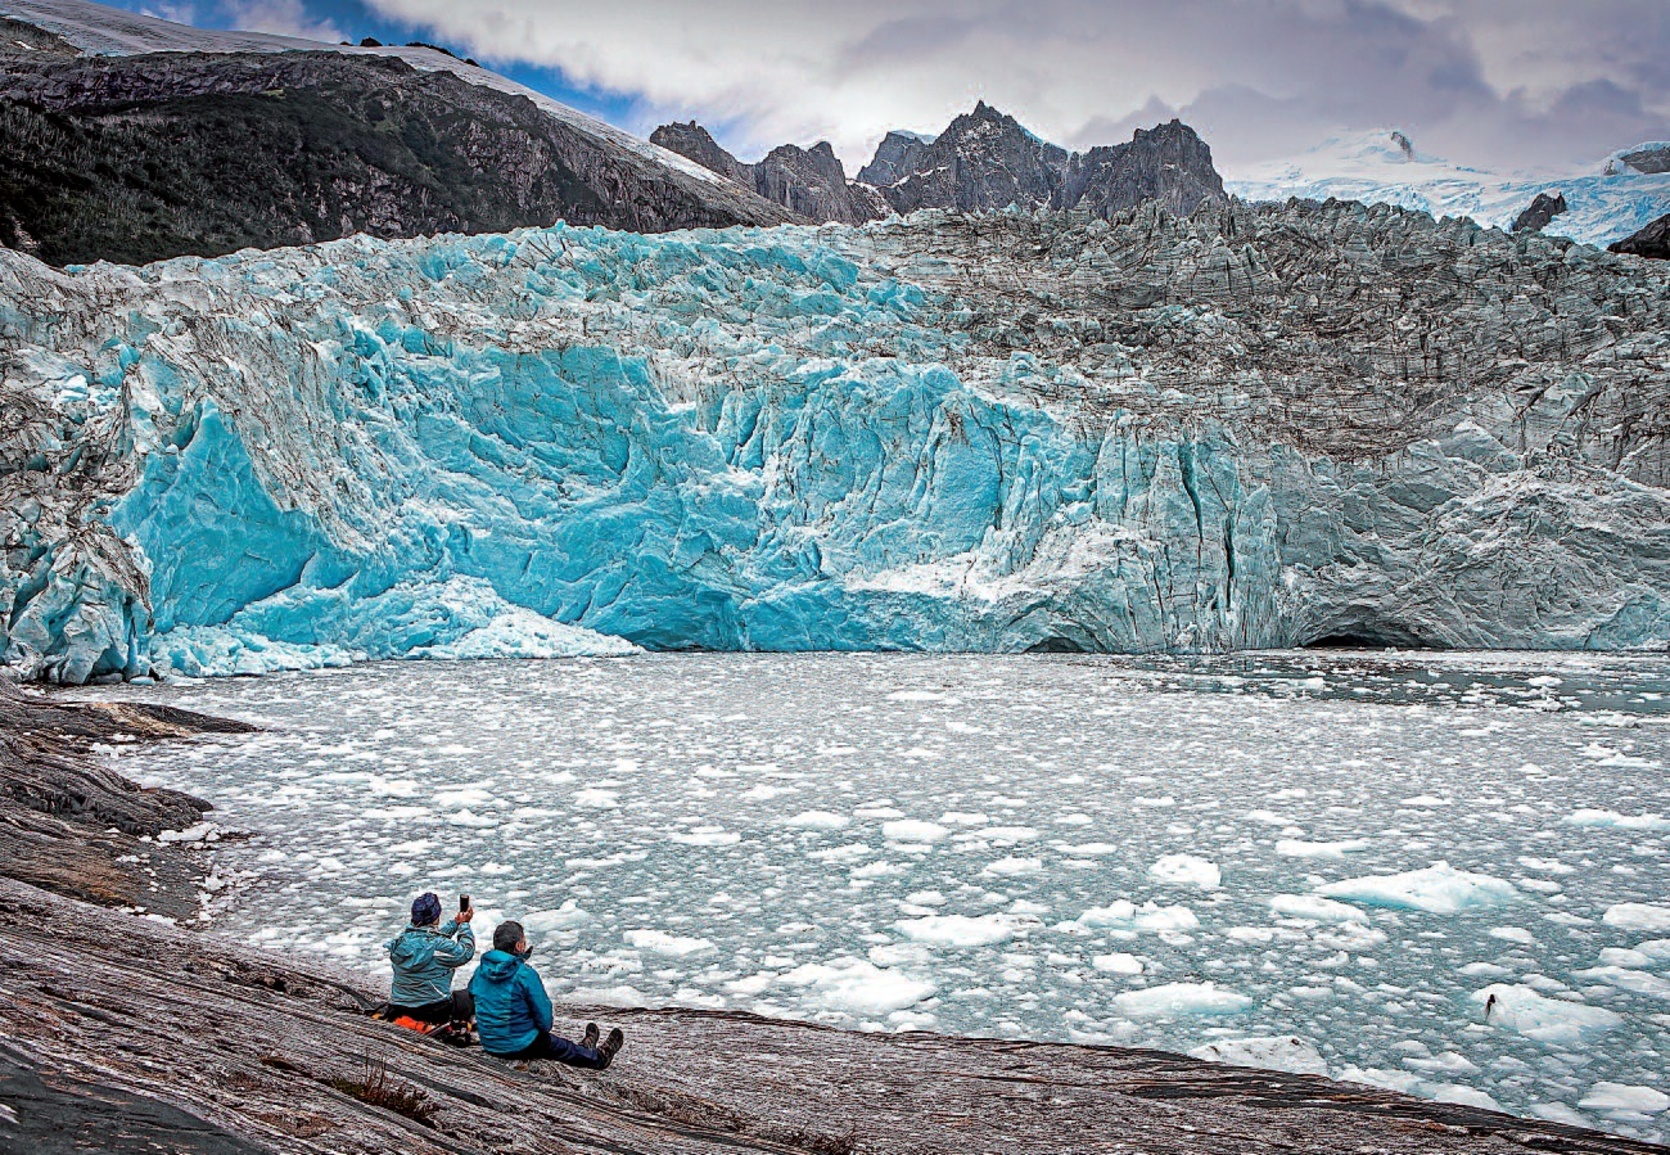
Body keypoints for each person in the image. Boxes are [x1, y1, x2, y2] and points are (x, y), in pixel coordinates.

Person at [469, 919, 624, 1069]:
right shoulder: (524, 974)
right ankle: (599, 1058)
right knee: (559, 1046)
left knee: (557, 1045)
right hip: (517, 1045)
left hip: (489, 1044)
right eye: (523, 941)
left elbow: (474, 998)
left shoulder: (480, 972)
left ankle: (584, 1048)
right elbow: (545, 1021)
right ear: (518, 946)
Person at [385, 891, 476, 1025]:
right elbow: (465, 953)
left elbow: (429, 940)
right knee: (473, 996)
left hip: (398, 1008)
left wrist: (455, 923)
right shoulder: (436, 946)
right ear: (436, 916)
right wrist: (464, 925)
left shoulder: (402, 941)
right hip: (432, 1010)